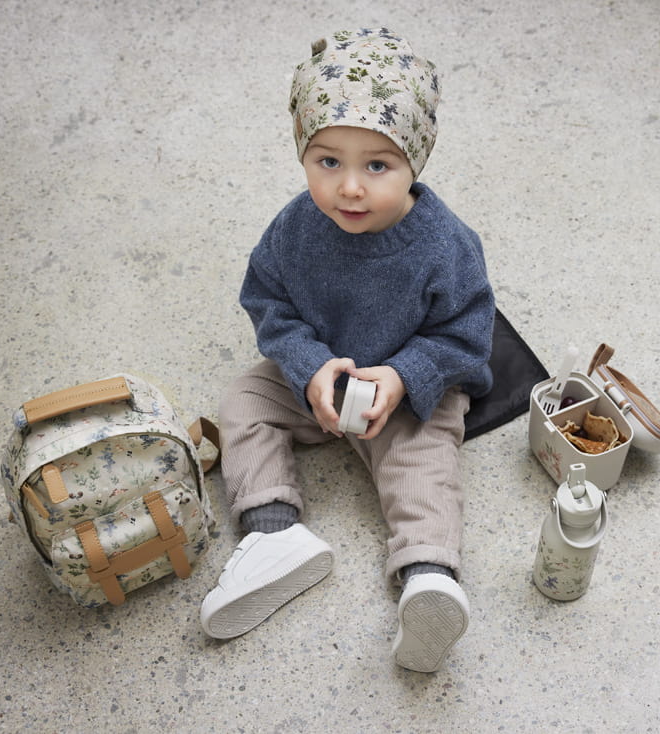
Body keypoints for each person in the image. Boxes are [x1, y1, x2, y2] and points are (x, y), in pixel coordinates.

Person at [200, 27, 494, 674]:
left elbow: (468, 334)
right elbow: (267, 302)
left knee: (423, 462)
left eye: (377, 166)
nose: (350, 188)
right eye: (328, 162)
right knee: (245, 399)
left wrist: (405, 374)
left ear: (416, 161)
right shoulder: (294, 229)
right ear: (302, 151)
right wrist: (308, 367)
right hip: (321, 376)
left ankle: (427, 578)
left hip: (407, 392)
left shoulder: (446, 246)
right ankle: (274, 532)